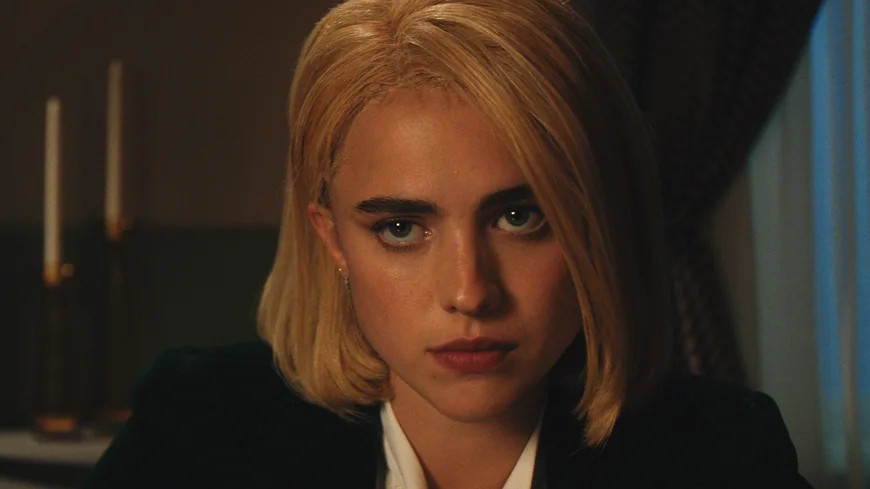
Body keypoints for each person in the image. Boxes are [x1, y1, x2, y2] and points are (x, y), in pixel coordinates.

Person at [84, 0, 812, 487]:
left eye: (520, 217)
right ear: (332, 239)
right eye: (401, 228)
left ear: (596, 222)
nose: (469, 291)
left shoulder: (724, 455)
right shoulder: (197, 431)